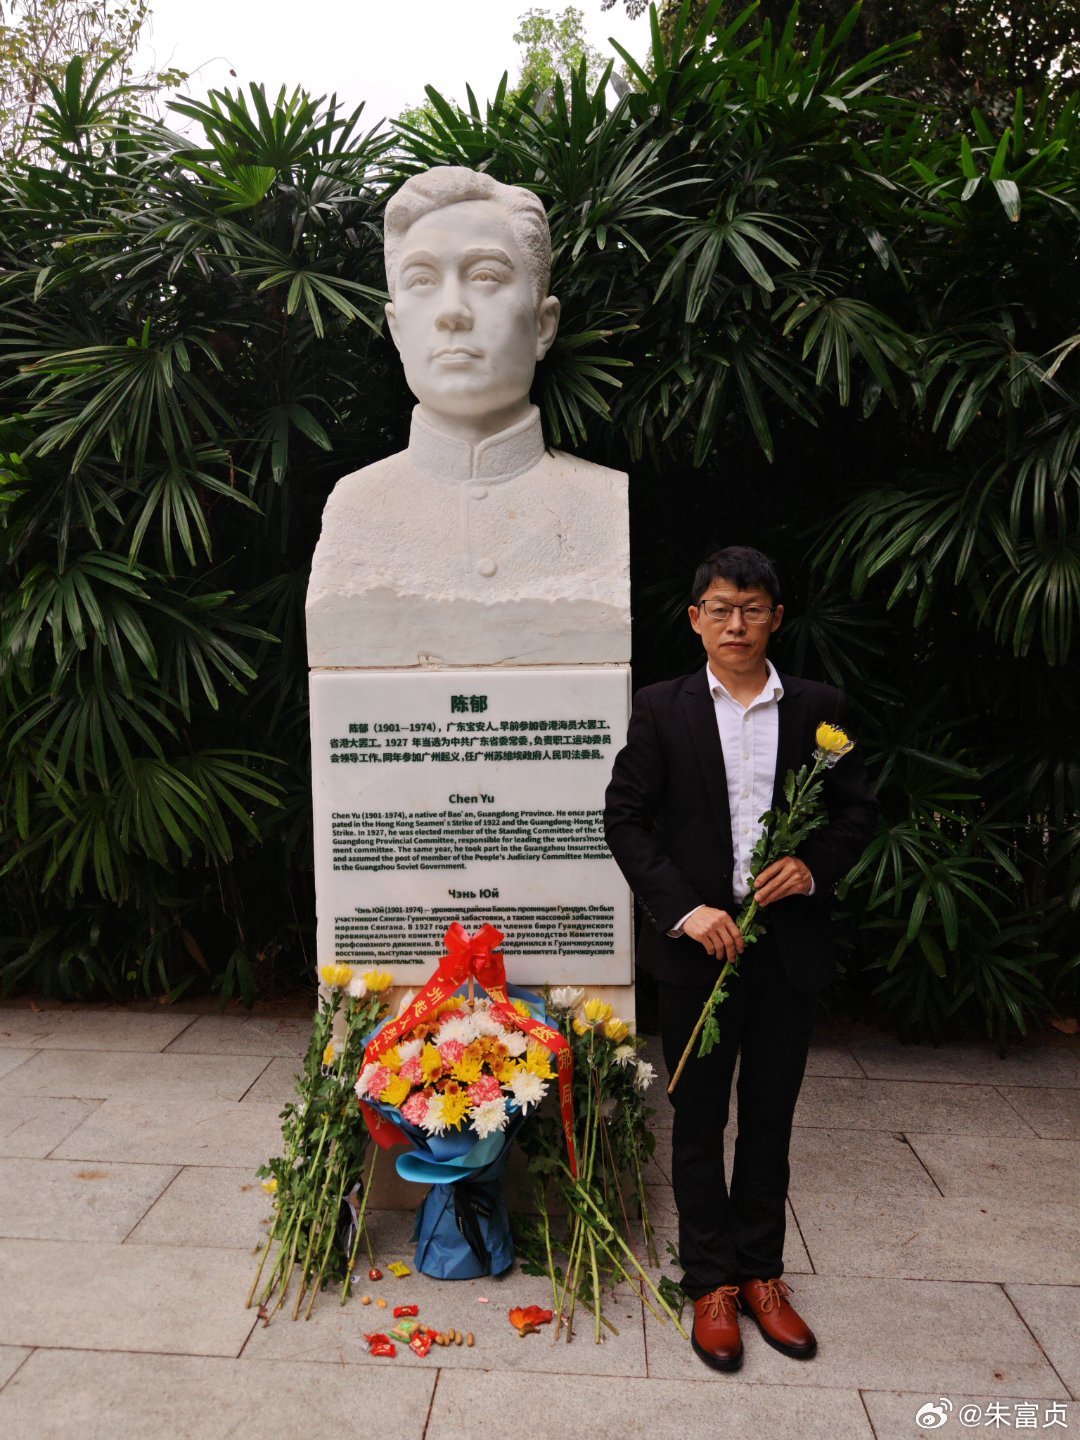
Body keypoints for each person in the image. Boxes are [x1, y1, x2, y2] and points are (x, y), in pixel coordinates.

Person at [603, 546, 878, 1372]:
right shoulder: (662, 707)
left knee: (769, 1115)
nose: (736, 624)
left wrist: (812, 866)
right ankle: (710, 1282)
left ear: (776, 618)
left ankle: (762, 1273)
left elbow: (856, 814)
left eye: (752, 609)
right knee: (697, 1120)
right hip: (700, 952)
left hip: (786, 948)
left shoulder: (821, 709)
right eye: (721, 609)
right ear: (696, 619)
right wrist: (686, 912)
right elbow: (626, 820)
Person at [307, 166, 629, 669]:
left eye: (484, 277)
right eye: (422, 281)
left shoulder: (602, 502)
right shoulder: (355, 508)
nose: (451, 312)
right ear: (396, 329)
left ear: (544, 325)